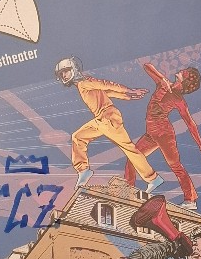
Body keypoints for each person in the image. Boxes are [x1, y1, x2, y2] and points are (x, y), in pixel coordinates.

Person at [55, 56, 164, 191]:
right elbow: (106, 92)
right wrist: (127, 96)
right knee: (78, 137)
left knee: (129, 148)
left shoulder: (85, 82)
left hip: (108, 118)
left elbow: (107, 84)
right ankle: (83, 170)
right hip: (101, 119)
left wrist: (129, 91)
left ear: (74, 69)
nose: (64, 75)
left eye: (65, 71)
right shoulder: (82, 85)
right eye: (61, 74)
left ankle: (153, 178)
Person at [123, 63, 201, 208]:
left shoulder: (179, 100)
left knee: (175, 165)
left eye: (185, 72)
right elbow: (147, 66)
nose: (181, 70)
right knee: (132, 157)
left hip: (164, 134)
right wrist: (162, 78)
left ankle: (190, 199)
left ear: (186, 80)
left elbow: (190, 123)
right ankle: (127, 190)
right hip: (151, 133)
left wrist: (200, 144)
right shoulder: (162, 83)